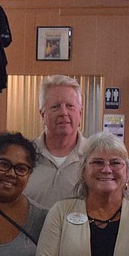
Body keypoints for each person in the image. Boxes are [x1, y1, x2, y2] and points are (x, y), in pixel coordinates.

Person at [24, 74, 89, 210]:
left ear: (80, 114)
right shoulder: (24, 155)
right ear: (43, 115)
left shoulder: (95, 157)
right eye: (55, 107)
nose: (63, 113)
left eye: (70, 106)